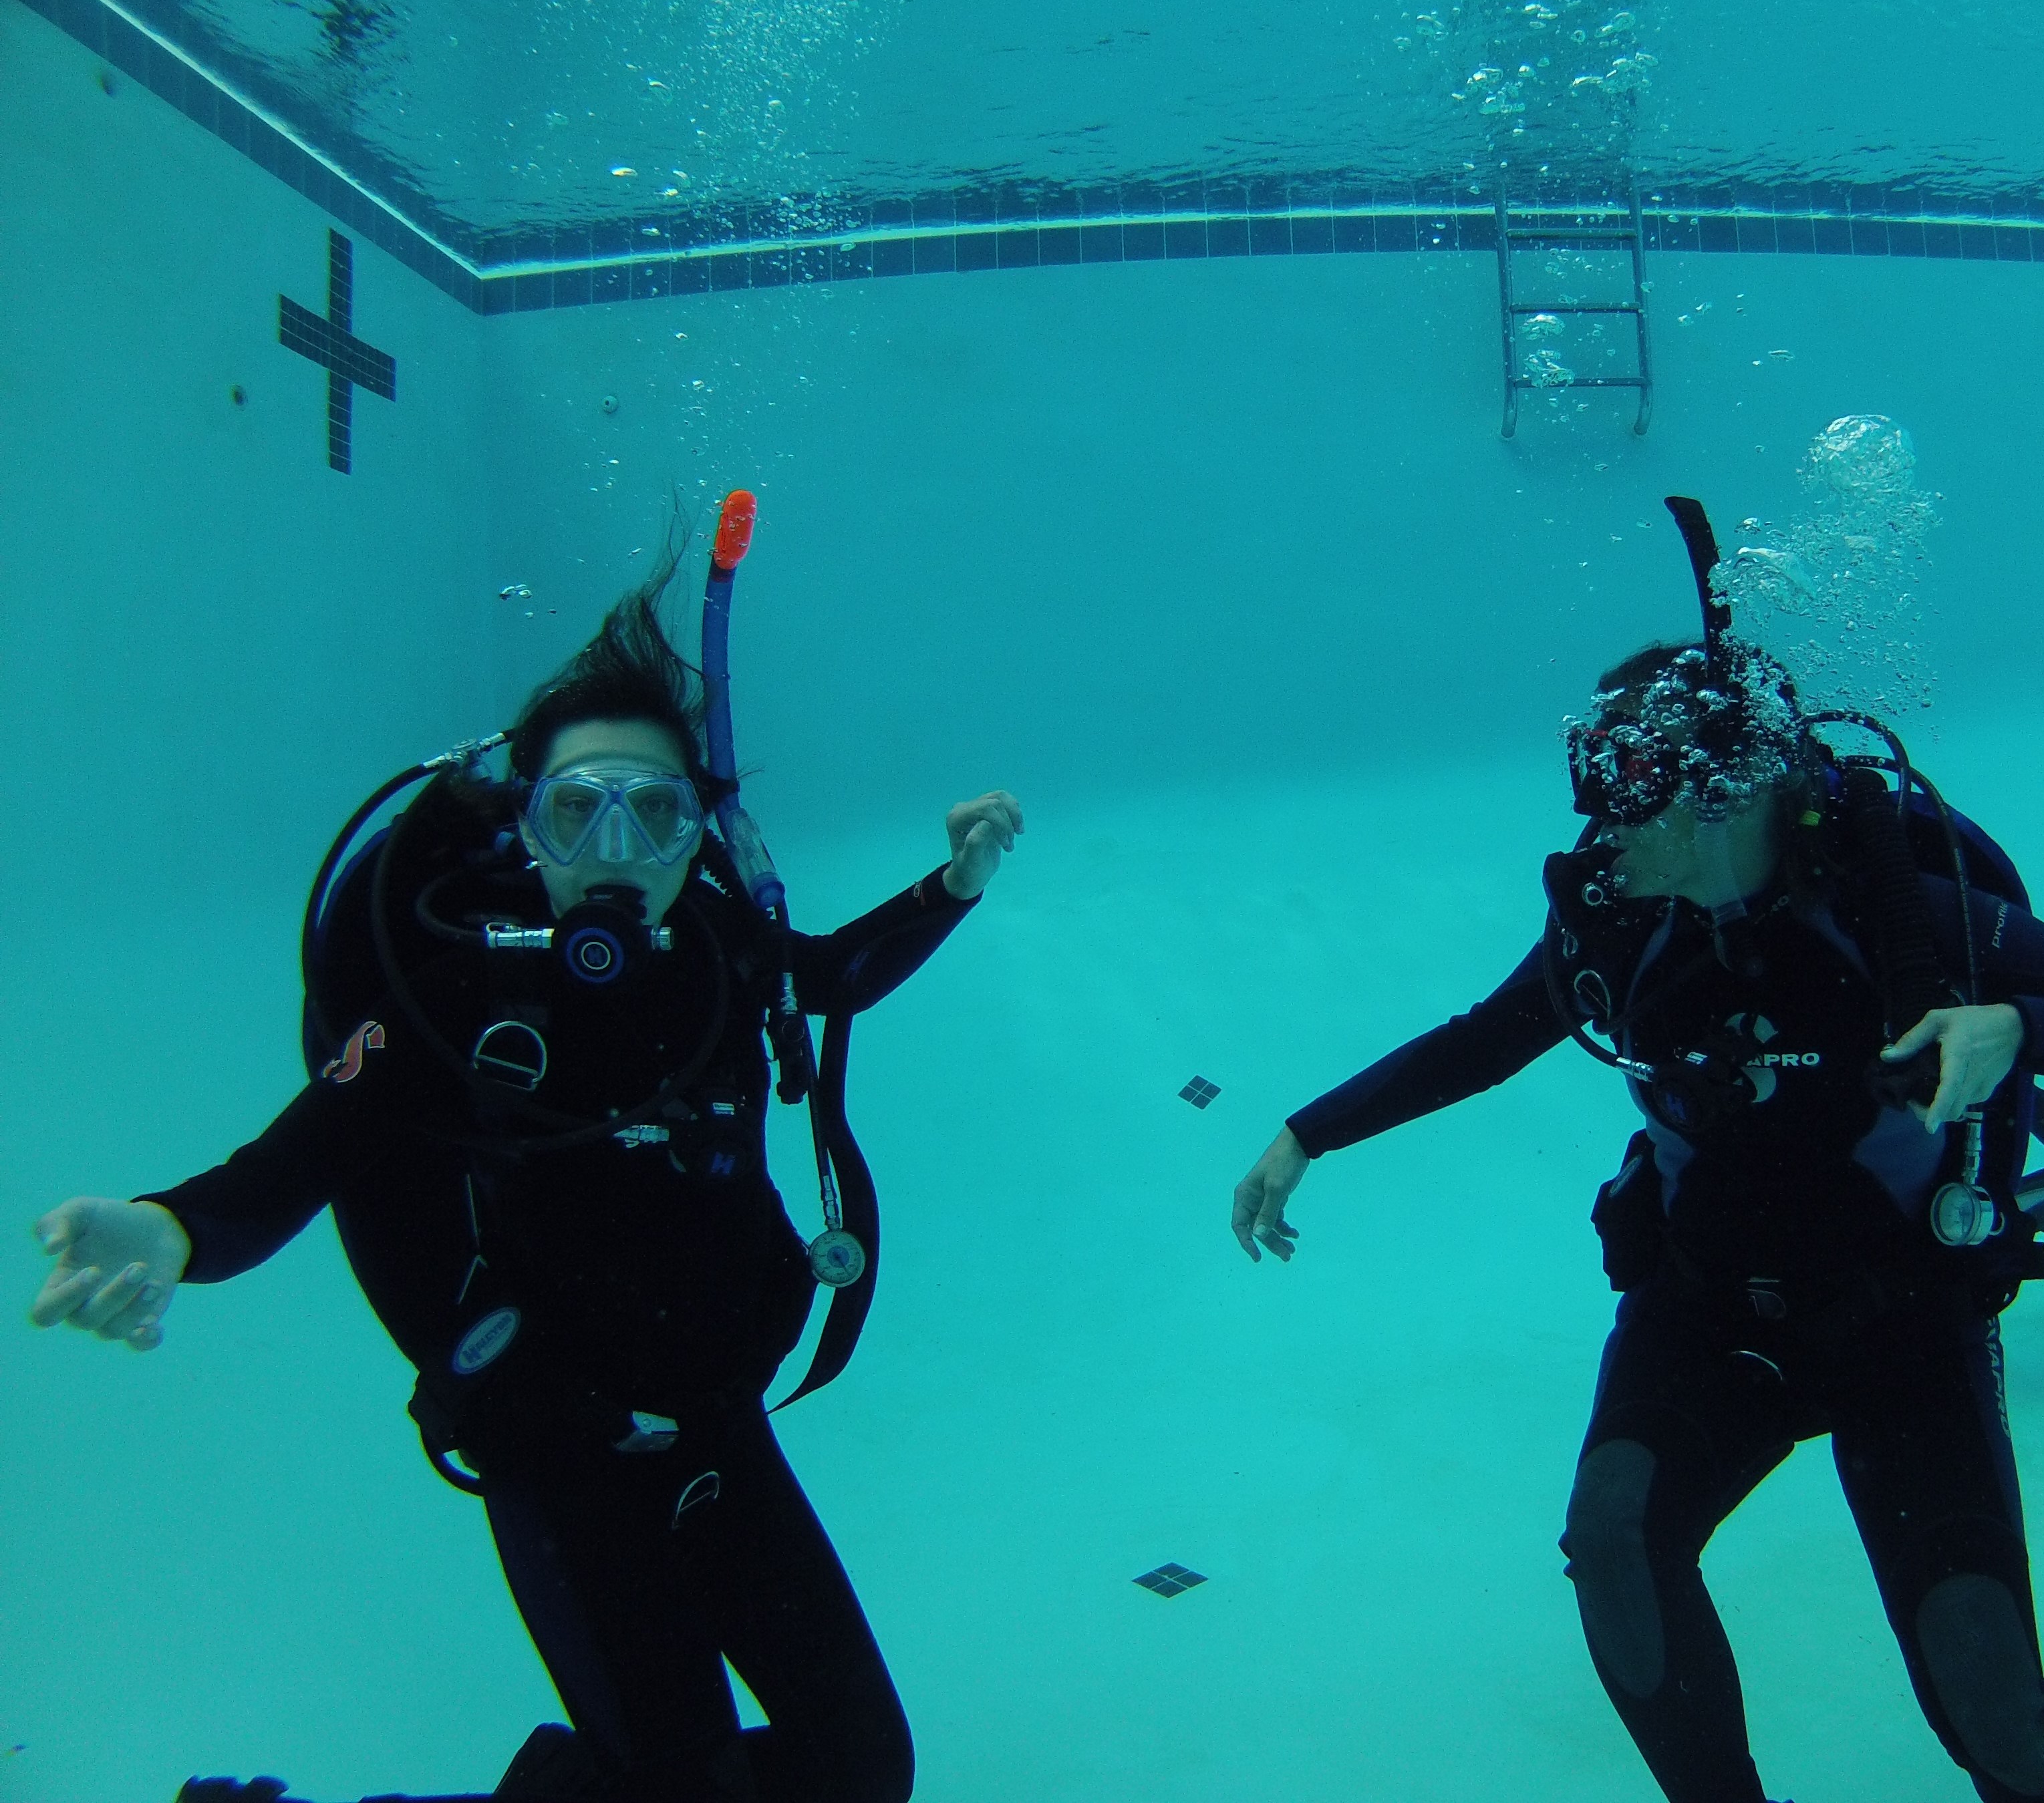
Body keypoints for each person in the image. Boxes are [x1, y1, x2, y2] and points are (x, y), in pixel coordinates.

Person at [30, 544, 1025, 1803]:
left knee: (864, 1769)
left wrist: (952, 887)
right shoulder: (463, 997)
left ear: (698, 834)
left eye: (655, 815)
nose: (618, 851)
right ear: (528, 827)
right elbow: (295, 1159)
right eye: (576, 812)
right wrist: (172, 1231)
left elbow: (830, 978)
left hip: (716, 1419)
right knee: (684, 1787)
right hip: (561, 1450)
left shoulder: (719, 948)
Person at [1230, 497, 2044, 1803]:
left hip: (1905, 1318)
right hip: (1707, 1304)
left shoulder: (1905, 915)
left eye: (1631, 790)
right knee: (1615, 1538)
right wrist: (1305, 1133)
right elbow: (1488, 1038)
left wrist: (2014, 1025)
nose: (1603, 827)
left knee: (1989, 1685)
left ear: (1725, 793)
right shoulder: (1620, 925)